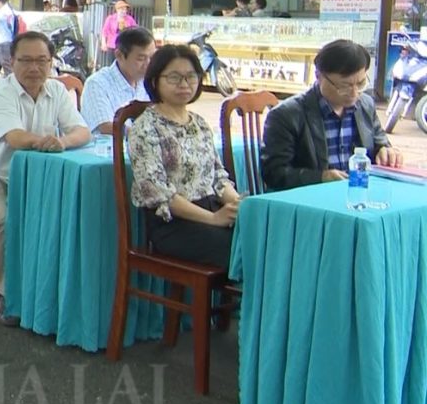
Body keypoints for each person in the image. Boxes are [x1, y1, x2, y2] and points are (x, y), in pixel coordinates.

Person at [0, 31, 91, 323]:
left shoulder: (56, 91)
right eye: (26, 61)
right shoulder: (1, 92)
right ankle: (7, 294)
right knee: (6, 218)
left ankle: (48, 291)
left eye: (42, 61)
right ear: (11, 62)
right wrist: (47, 140)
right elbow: (15, 137)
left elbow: (82, 131)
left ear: (51, 62)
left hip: (36, 178)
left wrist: (64, 142)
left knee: (67, 212)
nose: (34, 68)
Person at [128, 45, 242, 269]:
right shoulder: (145, 127)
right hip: (173, 223)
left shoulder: (199, 122)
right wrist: (214, 219)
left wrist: (237, 205)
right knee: (243, 247)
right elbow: (157, 190)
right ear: (154, 82)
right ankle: (253, 304)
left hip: (210, 209)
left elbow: (218, 175)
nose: (184, 84)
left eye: (191, 77)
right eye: (174, 77)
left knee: (265, 236)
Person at [261, 39, 401, 192]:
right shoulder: (286, 115)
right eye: (343, 86)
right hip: (310, 198)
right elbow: (273, 173)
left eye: (360, 84)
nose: (354, 93)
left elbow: (379, 142)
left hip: (356, 192)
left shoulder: (365, 105)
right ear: (319, 76)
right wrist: (321, 177)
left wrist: (386, 150)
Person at [80, 26, 155, 134]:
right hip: (108, 149)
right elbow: (106, 127)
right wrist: (143, 136)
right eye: (141, 58)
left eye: (151, 58)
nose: (148, 64)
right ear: (119, 55)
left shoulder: (149, 82)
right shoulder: (97, 83)